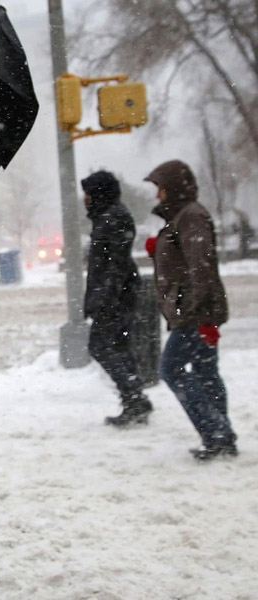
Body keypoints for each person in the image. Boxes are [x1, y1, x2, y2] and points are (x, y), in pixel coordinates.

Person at [144, 160, 237, 461]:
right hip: (196, 309)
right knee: (206, 372)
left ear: (171, 188)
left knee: (170, 369)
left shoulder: (191, 216)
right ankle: (222, 437)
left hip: (194, 312)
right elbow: (185, 257)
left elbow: (201, 266)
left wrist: (202, 315)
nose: (157, 195)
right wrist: (157, 249)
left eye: (160, 188)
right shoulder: (184, 217)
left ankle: (217, 433)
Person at [81, 171, 153, 427]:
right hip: (115, 295)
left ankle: (134, 397)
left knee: (99, 346)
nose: (85, 199)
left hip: (115, 298)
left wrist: (104, 299)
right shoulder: (108, 217)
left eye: (88, 193)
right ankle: (135, 399)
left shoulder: (114, 218)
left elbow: (115, 265)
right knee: (120, 348)